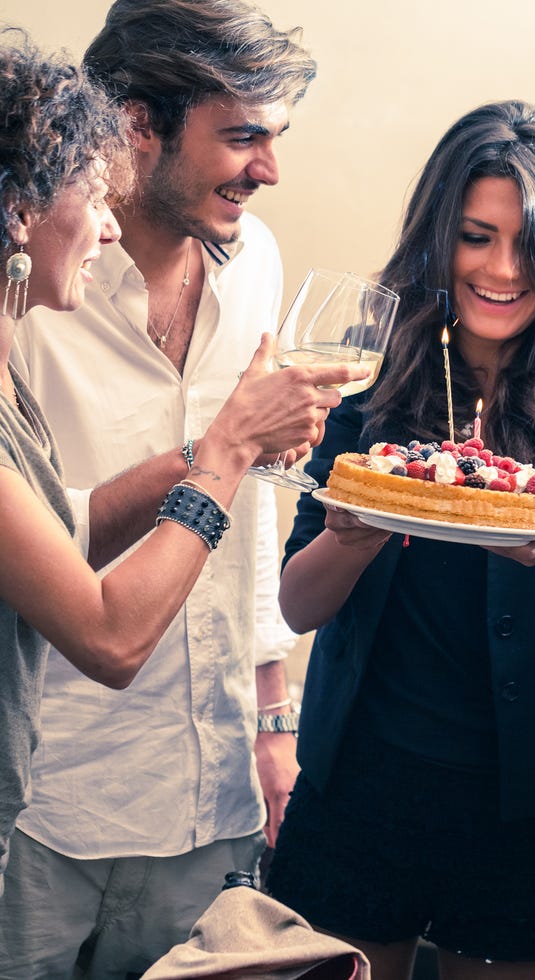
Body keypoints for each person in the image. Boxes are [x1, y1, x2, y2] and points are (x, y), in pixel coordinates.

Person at [266, 99, 535, 980]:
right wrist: (355, 534)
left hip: (530, 806)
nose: (503, 270)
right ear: (439, 233)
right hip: (361, 784)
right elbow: (297, 602)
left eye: (530, 246)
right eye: (477, 237)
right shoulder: (369, 368)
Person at [1, 2, 332, 976]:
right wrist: (223, 446)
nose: (266, 170)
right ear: (136, 124)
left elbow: (251, 506)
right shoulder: (40, 282)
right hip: (47, 792)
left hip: (211, 783)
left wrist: (273, 719)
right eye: (240, 136)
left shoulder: (258, 262)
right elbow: (61, 553)